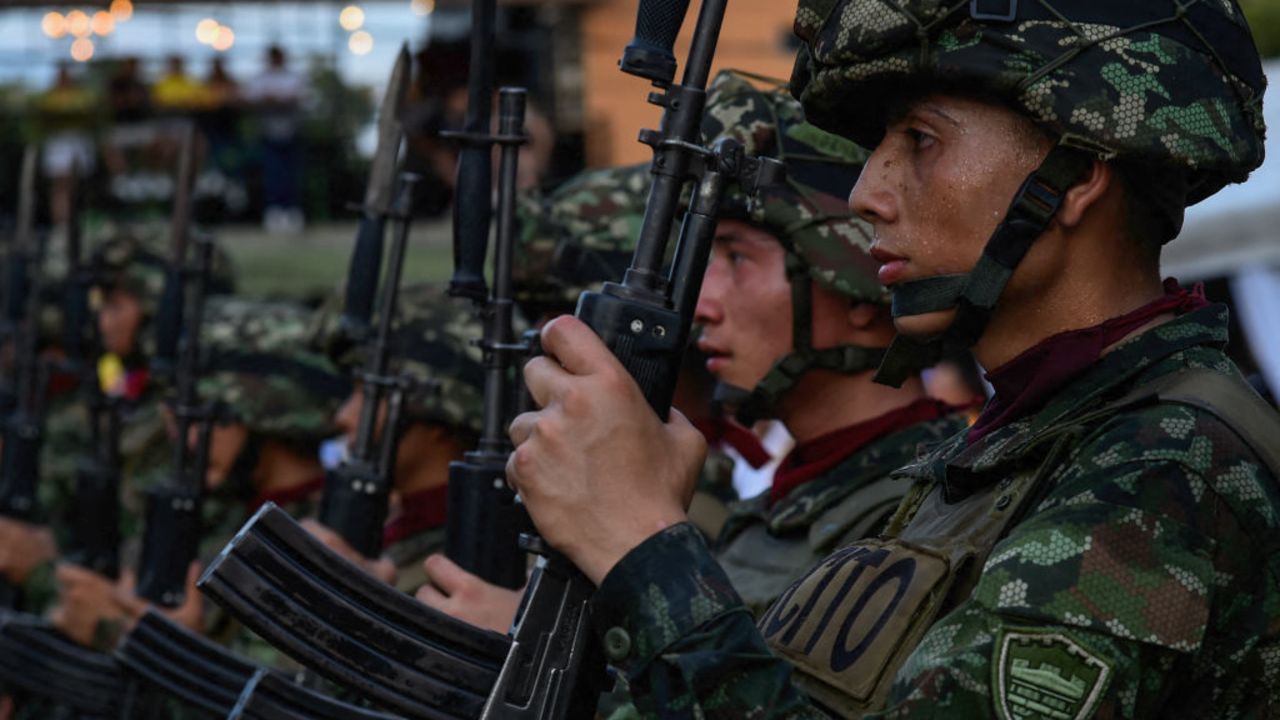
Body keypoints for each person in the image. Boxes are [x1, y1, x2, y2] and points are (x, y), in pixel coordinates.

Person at [503, 2, 1280, 718]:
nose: (870, 191)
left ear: (1076, 179)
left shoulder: (1168, 465)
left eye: (921, 141)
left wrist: (641, 544)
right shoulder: (1004, 452)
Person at [304, 284, 489, 595]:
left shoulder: (473, 563)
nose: (345, 416)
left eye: (370, 394)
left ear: (440, 419)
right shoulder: (390, 529)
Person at [243, 45, 306, 234]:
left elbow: (299, 98)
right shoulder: (260, 78)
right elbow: (253, 99)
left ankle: (293, 212)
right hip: (269, 133)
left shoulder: (294, 77)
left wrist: (279, 100)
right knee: (273, 173)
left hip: (292, 132)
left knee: (291, 173)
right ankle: (274, 211)